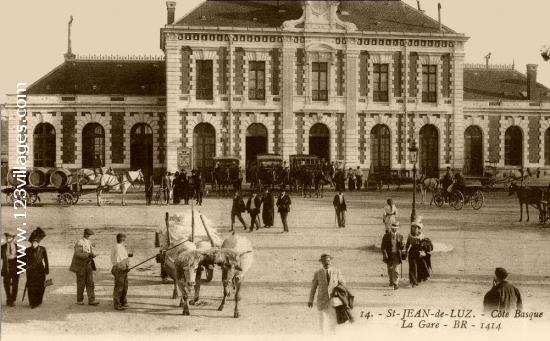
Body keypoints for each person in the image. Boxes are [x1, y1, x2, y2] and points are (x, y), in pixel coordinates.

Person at [308, 254, 345, 335]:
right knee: (323, 320)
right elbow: (313, 288)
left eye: (328, 260)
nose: (326, 262)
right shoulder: (317, 273)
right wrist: (310, 300)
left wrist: (340, 295)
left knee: (334, 320)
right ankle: (323, 337)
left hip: (334, 301)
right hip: (322, 300)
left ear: (330, 261)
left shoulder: (336, 272)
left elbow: (342, 284)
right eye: (324, 261)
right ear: (321, 262)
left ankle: (334, 336)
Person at [69, 228, 99, 306]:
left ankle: (91, 300)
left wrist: (92, 255)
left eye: (90, 235)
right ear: (86, 234)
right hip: (80, 266)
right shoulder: (80, 242)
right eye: (89, 235)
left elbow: (89, 252)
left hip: (88, 265)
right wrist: (88, 255)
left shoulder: (89, 242)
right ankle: (79, 300)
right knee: (81, 283)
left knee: (90, 283)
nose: (90, 237)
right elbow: (77, 254)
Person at [23, 228, 49, 308]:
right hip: (30, 271)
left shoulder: (43, 249)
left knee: (41, 286)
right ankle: (32, 302)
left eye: (36, 242)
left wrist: (47, 269)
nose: (34, 243)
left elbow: (46, 260)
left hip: (40, 271)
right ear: (31, 243)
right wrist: (26, 267)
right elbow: (23, 260)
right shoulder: (27, 250)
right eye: (33, 242)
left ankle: (38, 301)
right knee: (31, 287)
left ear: (38, 243)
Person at [405, 219, 432, 287]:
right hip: (412, 252)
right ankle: (412, 282)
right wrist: (405, 251)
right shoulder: (410, 235)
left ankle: (419, 279)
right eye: (413, 227)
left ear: (419, 229)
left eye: (416, 228)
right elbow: (407, 244)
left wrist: (423, 249)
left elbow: (425, 245)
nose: (414, 229)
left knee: (421, 265)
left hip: (420, 252)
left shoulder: (422, 236)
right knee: (412, 267)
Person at [111, 233, 133, 311]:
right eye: (124, 238)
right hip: (120, 269)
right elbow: (118, 260)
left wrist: (128, 255)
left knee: (125, 286)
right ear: (122, 239)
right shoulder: (118, 247)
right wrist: (124, 268)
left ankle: (123, 301)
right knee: (119, 287)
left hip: (123, 268)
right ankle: (117, 304)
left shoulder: (121, 246)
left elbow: (123, 257)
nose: (125, 240)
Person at [381, 222, 404, 290]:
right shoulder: (386, 236)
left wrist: (402, 245)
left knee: (396, 270)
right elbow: (383, 247)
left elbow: (402, 247)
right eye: (393, 229)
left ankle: (396, 283)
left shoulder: (400, 236)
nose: (394, 230)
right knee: (390, 269)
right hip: (389, 255)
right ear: (391, 228)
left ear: (397, 229)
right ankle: (391, 280)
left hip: (397, 255)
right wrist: (385, 254)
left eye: (396, 229)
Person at [2, 231, 20, 307]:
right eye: (7, 238)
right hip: (7, 266)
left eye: (10, 238)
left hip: (15, 265)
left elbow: (21, 257)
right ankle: (8, 299)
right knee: (6, 284)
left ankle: (13, 300)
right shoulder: (2, 247)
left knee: (15, 284)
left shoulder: (17, 246)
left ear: (13, 238)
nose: (8, 239)